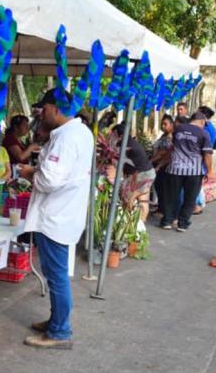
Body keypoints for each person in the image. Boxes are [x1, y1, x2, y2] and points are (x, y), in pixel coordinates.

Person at [17, 89, 94, 350]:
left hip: (55, 217)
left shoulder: (66, 138)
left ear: (56, 108)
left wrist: (30, 172)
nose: (41, 113)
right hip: (63, 213)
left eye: (44, 108)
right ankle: (56, 321)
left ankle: (60, 331)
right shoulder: (79, 132)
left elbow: (50, 180)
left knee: (58, 276)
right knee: (55, 274)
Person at [160, 112, 213, 232]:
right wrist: (210, 171)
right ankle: (182, 224)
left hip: (175, 169)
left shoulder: (178, 129)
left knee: (170, 196)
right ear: (202, 121)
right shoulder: (203, 133)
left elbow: (173, 147)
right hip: (194, 172)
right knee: (190, 198)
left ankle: (167, 221)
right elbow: (207, 155)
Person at [110, 124, 156, 221]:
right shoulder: (126, 142)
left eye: (113, 134)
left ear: (120, 136)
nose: (111, 136)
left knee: (130, 198)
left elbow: (116, 162)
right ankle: (136, 224)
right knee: (141, 199)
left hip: (143, 174)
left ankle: (134, 223)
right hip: (145, 173)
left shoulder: (126, 146)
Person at [150, 115, 175, 212]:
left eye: (165, 124)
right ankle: (161, 207)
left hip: (163, 166)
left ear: (171, 125)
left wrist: (152, 161)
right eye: (162, 124)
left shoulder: (170, 137)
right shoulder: (164, 135)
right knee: (158, 187)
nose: (163, 126)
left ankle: (164, 209)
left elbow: (163, 152)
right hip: (157, 164)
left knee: (163, 188)